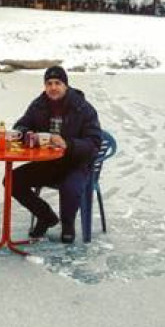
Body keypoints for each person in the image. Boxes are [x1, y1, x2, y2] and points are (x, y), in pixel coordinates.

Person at [11, 66, 102, 244]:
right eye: (49, 83)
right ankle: (46, 216)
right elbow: (21, 125)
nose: (53, 87)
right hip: (47, 163)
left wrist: (68, 144)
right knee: (11, 181)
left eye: (57, 83)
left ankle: (68, 225)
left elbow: (94, 144)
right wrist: (26, 133)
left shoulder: (82, 108)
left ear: (66, 85)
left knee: (70, 187)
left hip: (75, 163)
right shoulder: (39, 105)